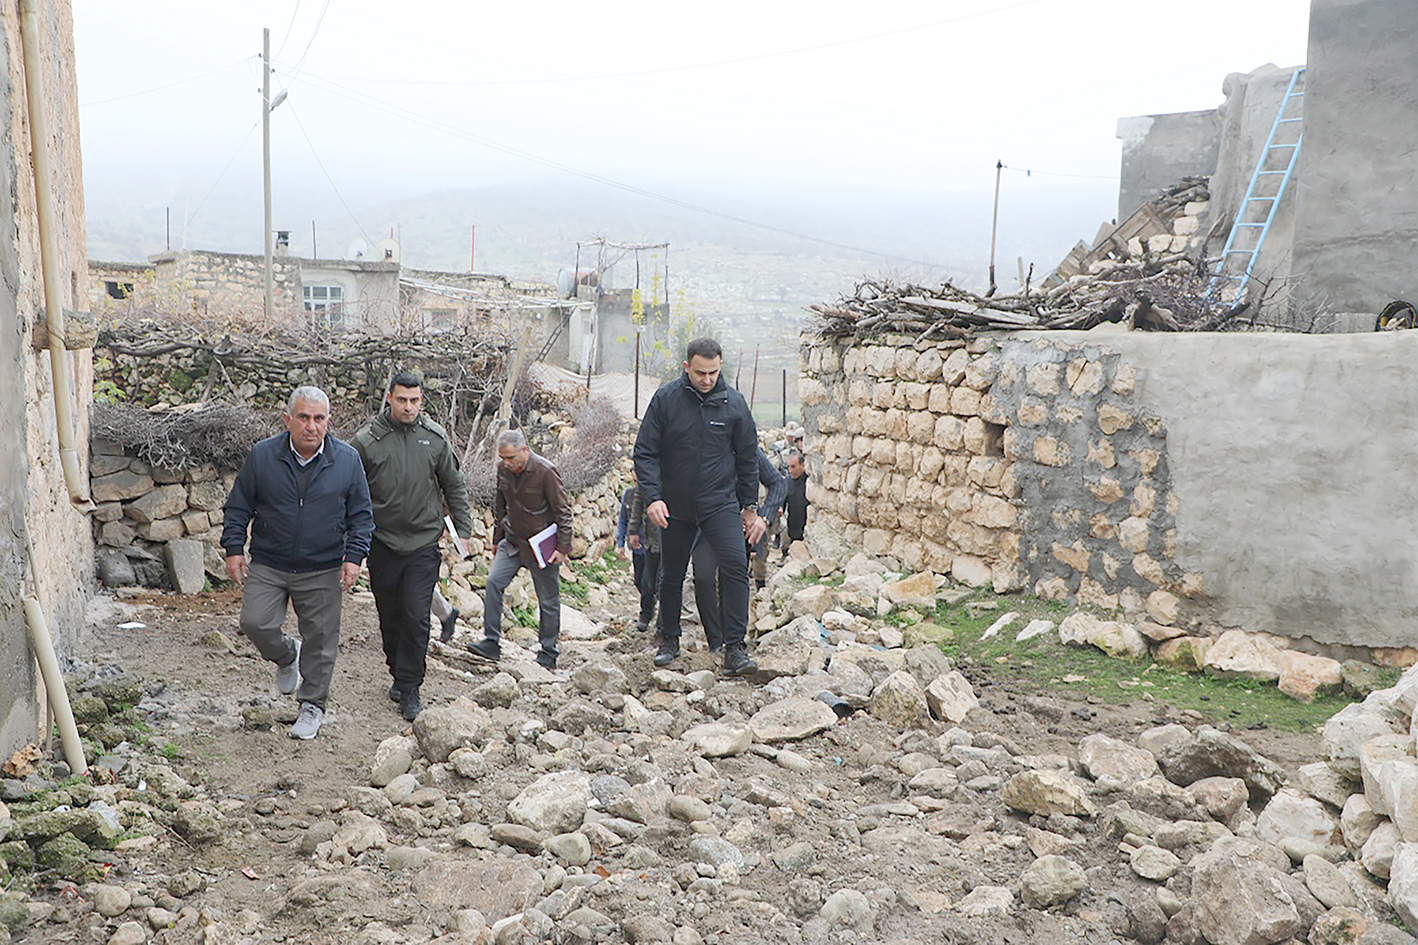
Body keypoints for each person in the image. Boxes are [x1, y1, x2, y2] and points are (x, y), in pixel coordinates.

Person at [222, 386, 373, 740]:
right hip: (270, 562)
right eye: (303, 417)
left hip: (322, 567)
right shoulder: (263, 456)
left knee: (321, 641)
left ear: (328, 422)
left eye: (319, 418)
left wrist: (354, 557)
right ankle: (287, 654)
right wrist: (233, 548)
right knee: (255, 622)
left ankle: (312, 706)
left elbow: (362, 516)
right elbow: (238, 505)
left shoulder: (347, 460)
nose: (311, 426)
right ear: (287, 420)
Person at [634, 337, 761, 676]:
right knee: (671, 572)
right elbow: (645, 452)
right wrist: (653, 497)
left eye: (714, 372)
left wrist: (749, 507)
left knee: (735, 566)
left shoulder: (734, 404)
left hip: (719, 502)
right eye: (701, 372)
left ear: (721, 367)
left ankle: (735, 649)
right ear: (686, 367)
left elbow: (748, 459)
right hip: (674, 503)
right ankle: (668, 639)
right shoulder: (666, 400)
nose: (707, 379)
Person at [353, 372, 474, 721]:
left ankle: (411, 687)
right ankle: (397, 671)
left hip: (423, 543)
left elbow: (455, 485)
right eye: (402, 399)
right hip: (383, 543)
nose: (408, 407)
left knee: (417, 617)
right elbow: (348, 490)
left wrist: (462, 529)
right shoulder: (367, 442)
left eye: (415, 401)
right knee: (390, 616)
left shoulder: (434, 439)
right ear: (389, 398)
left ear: (422, 401)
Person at [468, 429, 572, 669]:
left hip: (542, 545)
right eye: (503, 458)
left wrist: (562, 547)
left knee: (548, 599)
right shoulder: (503, 469)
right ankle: (491, 642)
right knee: (493, 582)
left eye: (511, 458)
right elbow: (500, 505)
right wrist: (497, 539)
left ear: (525, 450)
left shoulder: (545, 471)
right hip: (512, 540)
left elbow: (563, 511)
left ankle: (548, 651)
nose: (507, 463)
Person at [694, 447, 786, 650]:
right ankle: (715, 639)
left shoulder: (748, 449)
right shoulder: (699, 439)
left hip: (738, 528)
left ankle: (733, 641)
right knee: (703, 577)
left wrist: (764, 518)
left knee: (733, 581)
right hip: (704, 525)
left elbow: (778, 483)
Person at [626, 479, 662, 634]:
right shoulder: (650, 471)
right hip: (652, 538)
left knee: (667, 582)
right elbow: (639, 501)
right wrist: (633, 530)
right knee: (647, 581)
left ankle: (664, 624)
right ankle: (646, 613)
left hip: (676, 536)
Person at [784, 448, 810, 551]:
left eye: (793, 467)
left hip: (807, 526)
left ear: (803, 465)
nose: (790, 470)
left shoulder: (810, 481)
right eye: (788, 467)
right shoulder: (788, 481)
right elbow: (783, 499)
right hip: (793, 529)